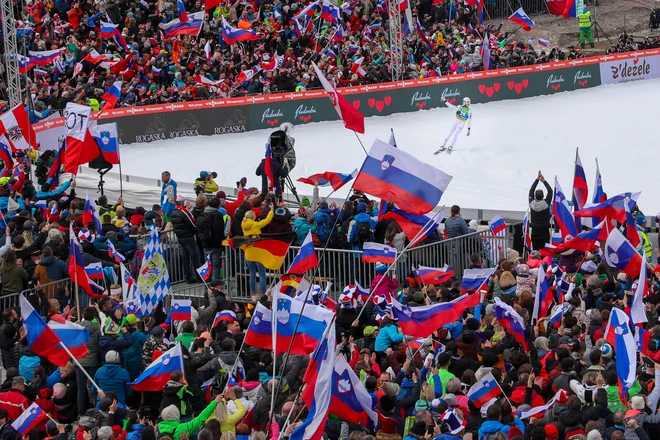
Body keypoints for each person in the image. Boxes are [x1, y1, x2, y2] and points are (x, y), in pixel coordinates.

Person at [241, 204, 274, 295]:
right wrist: (271, 210)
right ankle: (264, 295)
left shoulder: (243, 224)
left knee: (252, 274)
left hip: (248, 252)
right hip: (258, 252)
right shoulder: (255, 225)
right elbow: (267, 221)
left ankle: (254, 294)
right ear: (253, 216)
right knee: (262, 274)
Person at [528, 171, 553, 250]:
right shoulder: (546, 204)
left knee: (535, 251)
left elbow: (531, 191)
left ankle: (535, 262)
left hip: (534, 232)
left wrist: (536, 180)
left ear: (534, 196)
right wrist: (543, 181)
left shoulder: (531, 203)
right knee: (545, 252)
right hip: (544, 232)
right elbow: (550, 191)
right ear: (543, 196)